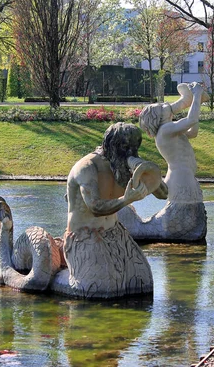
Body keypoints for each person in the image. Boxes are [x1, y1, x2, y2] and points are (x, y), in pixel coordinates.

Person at [59, 122, 155, 298]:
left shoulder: (121, 165)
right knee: (99, 288)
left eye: (135, 148)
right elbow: (95, 207)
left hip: (116, 234)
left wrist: (151, 173)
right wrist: (126, 200)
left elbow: (162, 193)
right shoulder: (87, 167)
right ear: (111, 145)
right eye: (125, 147)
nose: (131, 154)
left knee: (143, 282)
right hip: (85, 235)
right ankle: (58, 275)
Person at [119, 82, 207, 243]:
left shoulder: (170, 129)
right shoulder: (165, 131)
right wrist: (196, 95)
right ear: (157, 116)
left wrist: (197, 101)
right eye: (162, 106)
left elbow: (192, 131)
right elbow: (190, 120)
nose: (167, 105)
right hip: (180, 179)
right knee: (185, 212)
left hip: (184, 177)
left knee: (189, 210)